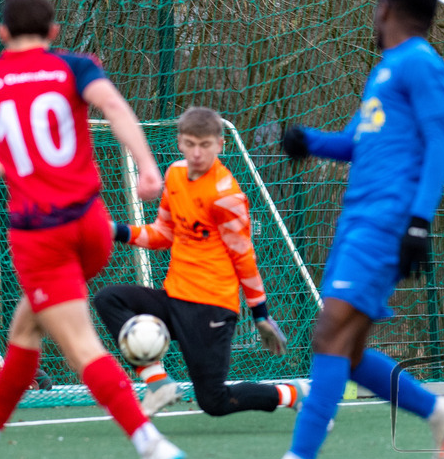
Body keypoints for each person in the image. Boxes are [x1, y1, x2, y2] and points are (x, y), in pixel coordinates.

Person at [0, 0, 185, 459]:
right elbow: (114, 106)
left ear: (1, 33)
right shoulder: (74, 66)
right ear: (53, 33)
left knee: (78, 346)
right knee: (27, 327)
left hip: (42, 236)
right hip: (93, 226)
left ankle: (151, 444)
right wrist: (147, 167)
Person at [233, 0, 444, 459]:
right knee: (351, 353)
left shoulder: (421, 63)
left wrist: (419, 222)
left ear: (384, 10)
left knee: (328, 330)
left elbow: (441, 144)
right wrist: (308, 141)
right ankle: (438, 413)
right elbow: (362, 144)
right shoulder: (386, 70)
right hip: (358, 220)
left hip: (385, 222)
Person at [94, 106, 307, 418]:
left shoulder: (226, 195)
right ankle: (158, 383)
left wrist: (260, 314)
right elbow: (163, 233)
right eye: (190, 143)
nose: (197, 153)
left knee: (214, 402)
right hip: (174, 297)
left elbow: (244, 257)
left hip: (212, 308)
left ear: (220, 144)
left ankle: (291, 393)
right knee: (108, 298)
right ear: (180, 142)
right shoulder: (175, 174)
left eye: (205, 145)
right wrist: (116, 231)